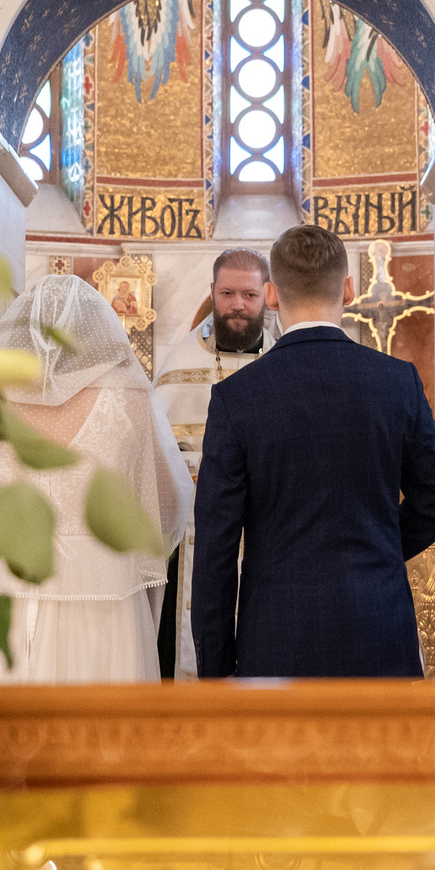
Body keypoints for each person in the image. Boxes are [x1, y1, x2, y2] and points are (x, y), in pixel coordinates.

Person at [192, 225, 435, 679]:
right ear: (349, 289)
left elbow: (215, 548)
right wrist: (378, 549)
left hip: (275, 638)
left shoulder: (237, 397)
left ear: (271, 295)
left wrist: (215, 673)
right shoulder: (397, 383)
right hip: (379, 628)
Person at [0, 274, 192, 683]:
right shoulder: (129, 399)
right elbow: (167, 505)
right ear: (94, 333)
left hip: (0, 595)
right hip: (103, 597)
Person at [155, 250, 278, 673]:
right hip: (191, 539)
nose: (237, 304)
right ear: (212, 292)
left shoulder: (283, 364)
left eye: (249, 294)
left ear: (268, 295)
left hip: (267, 536)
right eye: (227, 293)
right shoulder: (177, 368)